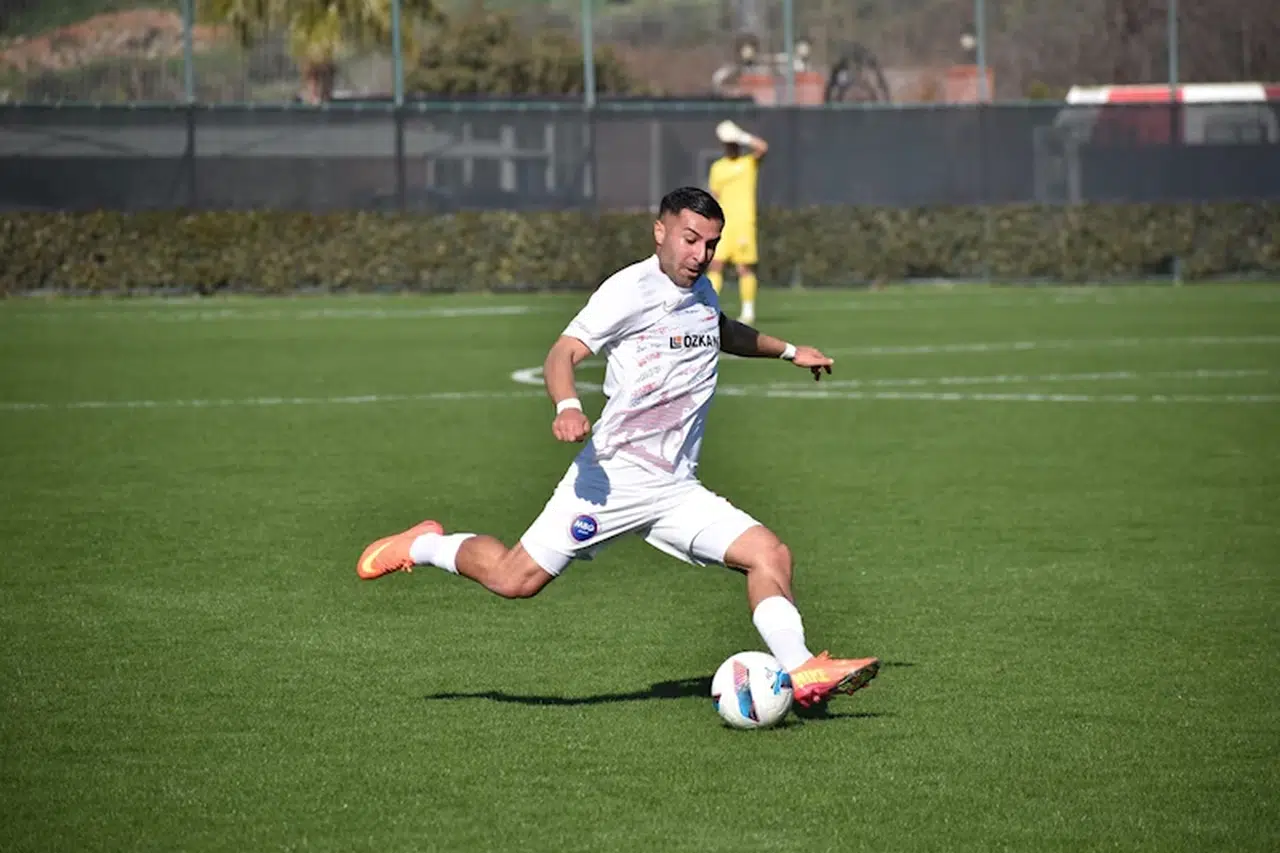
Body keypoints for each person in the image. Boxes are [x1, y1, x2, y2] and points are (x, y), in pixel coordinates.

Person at [356, 187, 879, 709]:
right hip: (611, 479)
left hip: (676, 489)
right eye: (690, 239)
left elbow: (718, 330)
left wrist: (789, 351)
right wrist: (567, 406)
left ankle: (802, 668)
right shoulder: (629, 290)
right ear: (660, 232)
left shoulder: (701, 290)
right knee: (513, 580)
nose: (700, 255)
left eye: (711, 245)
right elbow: (563, 352)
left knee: (769, 554)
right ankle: (423, 545)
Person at [707, 120, 768, 325]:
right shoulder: (717, 168)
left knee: (744, 267)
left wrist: (741, 136)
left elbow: (762, 148)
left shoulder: (748, 163)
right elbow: (714, 195)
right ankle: (711, 309)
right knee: (715, 264)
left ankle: (748, 311)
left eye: (734, 143)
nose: (732, 147)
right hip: (723, 225)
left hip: (744, 223)